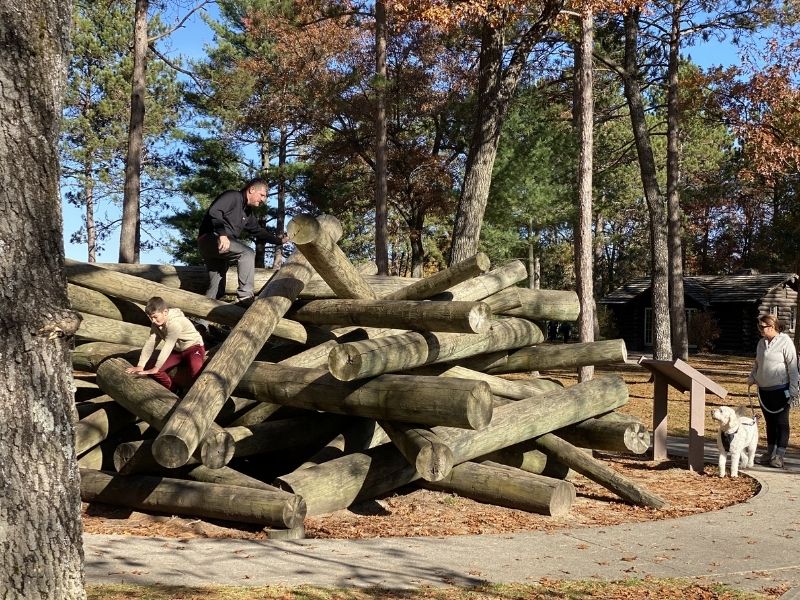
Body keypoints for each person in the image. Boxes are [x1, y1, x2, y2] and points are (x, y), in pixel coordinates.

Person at [197, 178, 287, 302]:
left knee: (216, 289)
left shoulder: (247, 212)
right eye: (262, 195)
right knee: (247, 253)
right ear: (251, 189)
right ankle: (245, 296)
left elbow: (258, 231)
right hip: (211, 239)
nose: (263, 200)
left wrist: (279, 241)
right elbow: (215, 211)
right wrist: (222, 234)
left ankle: (201, 321)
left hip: (220, 248)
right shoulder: (233, 196)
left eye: (265, 197)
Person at [748, 314, 799, 468]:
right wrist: (752, 376)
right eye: (759, 326)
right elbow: (757, 363)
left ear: (771, 326)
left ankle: (779, 455)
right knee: (770, 422)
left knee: (781, 422)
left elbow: (792, 367)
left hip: (781, 389)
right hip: (764, 390)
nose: (760, 330)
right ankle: (770, 453)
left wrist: (793, 389)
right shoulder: (761, 343)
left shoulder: (785, 342)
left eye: (762, 327)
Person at [125, 297, 205, 393]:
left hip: (194, 347)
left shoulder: (175, 323)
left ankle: (197, 394)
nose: (153, 321)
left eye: (155, 317)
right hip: (178, 351)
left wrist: (156, 367)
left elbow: (168, 345)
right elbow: (150, 344)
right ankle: (174, 390)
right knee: (153, 368)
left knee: (196, 369)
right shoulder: (156, 325)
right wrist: (140, 365)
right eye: (150, 317)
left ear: (165, 312)